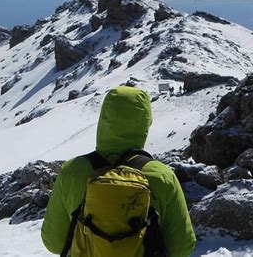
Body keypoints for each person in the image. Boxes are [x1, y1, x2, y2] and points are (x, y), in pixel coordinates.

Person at [41, 86, 196, 256]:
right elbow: (183, 246)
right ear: (145, 122)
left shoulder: (72, 171)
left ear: (104, 119)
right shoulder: (162, 175)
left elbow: (54, 242)